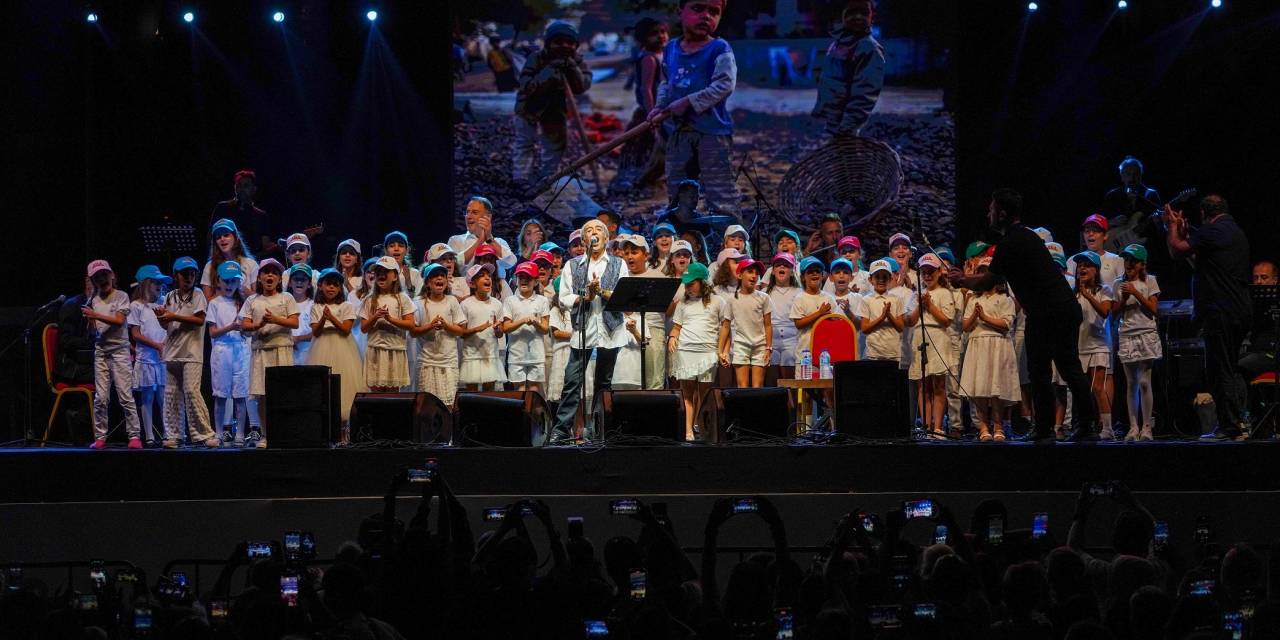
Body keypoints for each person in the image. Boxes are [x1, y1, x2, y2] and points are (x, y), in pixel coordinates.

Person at [951, 189, 1099, 442]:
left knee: (1043, 370)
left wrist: (962, 280)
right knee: (1067, 368)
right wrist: (965, 279)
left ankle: (1047, 430)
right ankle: (1082, 426)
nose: (989, 214)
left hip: (1049, 312)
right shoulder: (1024, 237)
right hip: (1058, 309)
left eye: (992, 210)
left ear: (1003, 213)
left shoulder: (1012, 242)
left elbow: (988, 279)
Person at [1164, 194, 1251, 440]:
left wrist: (1171, 227)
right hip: (1238, 310)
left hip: (1220, 311)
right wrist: (1184, 233)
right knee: (1229, 367)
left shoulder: (1212, 231)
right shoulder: (1234, 231)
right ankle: (1236, 423)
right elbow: (1199, 263)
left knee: (1219, 369)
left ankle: (1231, 427)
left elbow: (1177, 251)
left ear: (1204, 214)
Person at [650, 0, 740, 219]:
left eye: (714, 12)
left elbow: (724, 85)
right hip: (679, 132)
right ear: (681, 11)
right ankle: (682, 233)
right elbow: (666, 81)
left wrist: (688, 102)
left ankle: (728, 238)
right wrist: (659, 106)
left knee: (720, 191)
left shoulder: (719, 49)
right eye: (698, 8)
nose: (706, 16)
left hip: (712, 132)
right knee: (678, 188)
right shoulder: (671, 48)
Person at [554, 219, 627, 441]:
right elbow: (564, 296)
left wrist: (601, 292)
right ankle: (562, 429)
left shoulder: (617, 264)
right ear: (584, 239)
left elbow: (623, 295)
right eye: (588, 231)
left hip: (609, 328)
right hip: (583, 328)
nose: (593, 234)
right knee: (572, 380)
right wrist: (585, 297)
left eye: (598, 230)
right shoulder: (573, 264)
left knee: (603, 382)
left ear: (606, 238)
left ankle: (599, 427)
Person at [512, 22, 592, 187]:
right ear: (549, 43)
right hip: (529, 107)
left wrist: (572, 68)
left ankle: (547, 178)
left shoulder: (577, 61)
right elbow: (526, 86)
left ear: (576, 46)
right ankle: (521, 179)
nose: (564, 46)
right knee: (525, 142)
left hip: (555, 108)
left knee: (557, 144)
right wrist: (549, 70)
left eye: (570, 43)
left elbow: (582, 86)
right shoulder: (537, 58)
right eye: (558, 42)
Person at [81, 260, 143, 450]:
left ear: (112, 275)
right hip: (101, 352)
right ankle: (100, 436)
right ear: (93, 280)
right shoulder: (94, 301)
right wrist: (90, 320)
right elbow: (92, 333)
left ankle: (134, 436)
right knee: (101, 398)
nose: (102, 279)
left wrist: (95, 315)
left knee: (125, 395)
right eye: (97, 277)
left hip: (119, 351)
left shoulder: (121, 296)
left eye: (104, 275)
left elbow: (118, 320)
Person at [239, 258, 300, 448]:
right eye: (266, 272)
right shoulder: (252, 300)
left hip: (281, 350)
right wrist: (259, 325)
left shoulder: (286, 298)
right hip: (261, 352)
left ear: (280, 279)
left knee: (282, 394)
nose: (270, 275)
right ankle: (266, 435)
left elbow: (294, 322)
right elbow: (244, 326)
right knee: (263, 395)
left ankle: (283, 433)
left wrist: (274, 319)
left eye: (274, 272)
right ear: (259, 277)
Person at [159, 256, 218, 449]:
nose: (189, 277)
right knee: (171, 395)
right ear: (176, 275)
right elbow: (166, 324)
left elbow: (199, 319)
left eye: (192, 274)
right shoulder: (169, 296)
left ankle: (204, 433)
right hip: (172, 351)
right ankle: (175, 435)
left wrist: (173, 316)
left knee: (192, 391)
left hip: (192, 352)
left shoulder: (198, 294)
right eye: (185, 274)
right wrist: (161, 318)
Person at [959, 258, 1019, 442]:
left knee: (996, 388)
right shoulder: (974, 299)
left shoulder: (1004, 299)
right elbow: (965, 326)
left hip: (997, 345)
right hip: (978, 344)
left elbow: (1006, 324)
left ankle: (998, 425)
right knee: (980, 388)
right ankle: (983, 426)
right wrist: (976, 315)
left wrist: (984, 316)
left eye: (986, 272)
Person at [669, 262, 726, 441]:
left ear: (703, 282)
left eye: (691, 283)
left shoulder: (718, 301)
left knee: (704, 393)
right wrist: (672, 338)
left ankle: (700, 427)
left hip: (707, 352)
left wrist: (722, 350)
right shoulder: (683, 303)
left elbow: (725, 327)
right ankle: (688, 431)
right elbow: (676, 327)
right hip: (686, 350)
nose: (688, 287)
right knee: (687, 393)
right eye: (686, 283)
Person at [812, 0, 885, 139]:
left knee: (848, 158)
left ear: (872, 17)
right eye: (852, 12)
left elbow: (865, 93)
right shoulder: (839, 43)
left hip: (845, 126)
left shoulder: (868, 48)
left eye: (864, 13)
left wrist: (848, 126)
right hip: (833, 122)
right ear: (842, 15)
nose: (858, 17)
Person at [308, 268, 367, 438]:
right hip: (321, 346)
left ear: (341, 288)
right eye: (328, 284)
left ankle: (344, 432)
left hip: (342, 347)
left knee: (345, 385)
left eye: (335, 285)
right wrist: (323, 318)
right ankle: (326, 432)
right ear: (320, 285)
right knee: (324, 387)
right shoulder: (316, 306)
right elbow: (316, 332)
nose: (331, 288)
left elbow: (346, 330)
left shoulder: (346, 306)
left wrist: (331, 318)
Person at [613, 17, 669, 193]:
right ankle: (636, 181)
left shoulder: (665, 55)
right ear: (643, 39)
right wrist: (653, 113)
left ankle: (652, 179)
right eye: (654, 34)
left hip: (664, 112)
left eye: (663, 32)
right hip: (650, 112)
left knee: (662, 148)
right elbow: (646, 89)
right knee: (644, 148)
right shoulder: (649, 59)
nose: (660, 36)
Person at [1113, 244, 1161, 442]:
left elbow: (1153, 309)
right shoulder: (1118, 284)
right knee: (1131, 382)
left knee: (1144, 382)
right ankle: (1133, 427)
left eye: (1133, 261)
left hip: (1146, 333)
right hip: (1127, 334)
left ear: (1142, 264)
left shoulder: (1150, 280)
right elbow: (1113, 313)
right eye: (1126, 260)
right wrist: (1124, 299)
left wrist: (1135, 292)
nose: (1128, 264)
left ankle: (1147, 426)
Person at [907, 254, 958, 439]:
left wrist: (930, 305)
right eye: (924, 273)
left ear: (938, 272)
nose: (927, 276)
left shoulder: (945, 293)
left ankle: (937, 426)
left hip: (938, 336)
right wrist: (920, 305)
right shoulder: (916, 294)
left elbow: (946, 320)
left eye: (930, 272)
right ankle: (926, 424)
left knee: (938, 385)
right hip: (920, 336)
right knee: (923, 385)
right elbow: (910, 321)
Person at [206, 261, 252, 445]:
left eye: (233, 281)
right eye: (226, 281)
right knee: (220, 395)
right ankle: (218, 433)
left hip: (240, 350)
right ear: (218, 281)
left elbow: (248, 330)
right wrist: (231, 326)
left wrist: (243, 329)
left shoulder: (243, 303)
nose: (229, 285)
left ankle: (240, 434)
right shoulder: (214, 304)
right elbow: (212, 332)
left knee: (240, 395)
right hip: (222, 350)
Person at [1072, 252, 1115, 441]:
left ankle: (1107, 428)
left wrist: (1088, 296)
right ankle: (1085, 426)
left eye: (1087, 265)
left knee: (1098, 387)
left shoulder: (1104, 290)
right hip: (1079, 345)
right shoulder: (1073, 293)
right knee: (1081, 389)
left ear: (1096, 270)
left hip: (1098, 345)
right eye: (1080, 265)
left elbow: (1105, 312)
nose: (1082, 268)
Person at [412, 263, 466, 409]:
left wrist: (445, 326)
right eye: (435, 276)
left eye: (442, 275)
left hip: (448, 361)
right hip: (426, 361)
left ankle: (448, 432)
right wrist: (430, 325)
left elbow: (461, 330)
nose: (440, 278)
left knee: (448, 404)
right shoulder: (418, 303)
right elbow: (413, 331)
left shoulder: (452, 301)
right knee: (427, 404)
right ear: (428, 282)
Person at [359, 256, 416, 393]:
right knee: (376, 391)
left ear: (395, 276)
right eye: (378, 272)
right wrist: (375, 317)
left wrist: (390, 319)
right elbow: (363, 328)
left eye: (386, 271)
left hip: (394, 349)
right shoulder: (369, 300)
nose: (381, 275)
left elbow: (411, 324)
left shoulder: (402, 298)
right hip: (375, 350)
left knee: (393, 392)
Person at [129, 266, 169, 447]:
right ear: (145, 284)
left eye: (161, 282)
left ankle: (168, 434)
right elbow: (136, 334)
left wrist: (164, 346)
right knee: (147, 398)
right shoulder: (136, 306)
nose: (159, 285)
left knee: (163, 396)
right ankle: (149, 435)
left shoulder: (164, 302)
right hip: (146, 356)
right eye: (155, 282)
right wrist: (156, 345)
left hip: (163, 356)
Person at [722, 258, 771, 388]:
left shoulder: (764, 298)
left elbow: (768, 325)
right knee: (742, 386)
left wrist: (769, 348)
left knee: (758, 386)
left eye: (756, 273)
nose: (754, 275)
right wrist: (721, 351)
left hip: (760, 345)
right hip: (741, 345)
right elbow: (726, 326)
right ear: (739, 275)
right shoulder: (732, 299)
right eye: (750, 271)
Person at [503, 262, 551, 393]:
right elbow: (505, 327)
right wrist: (523, 320)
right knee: (519, 390)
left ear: (535, 282)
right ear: (516, 280)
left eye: (528, 278)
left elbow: (545, 328)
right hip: (516, 354)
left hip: (536, 353)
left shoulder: (542, 301)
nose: (524, 280)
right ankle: (520, 414)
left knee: (534, 391)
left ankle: (532, 414)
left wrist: (536, 323)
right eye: (521, 277)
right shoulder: (510, 301)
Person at [459, 264, 506, 392]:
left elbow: (500, 334)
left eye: (488, 276)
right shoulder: (466, 304)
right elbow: (461, 333)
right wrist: (477, 329)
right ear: (472, 284)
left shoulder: (497, 304)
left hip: (490, 355)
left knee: (489, 393)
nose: (487, 278)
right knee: (472, 394)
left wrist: (498, 329)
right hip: (472, 355)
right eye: (481, 276)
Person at [210, 169, 276, 258]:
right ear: (235, 188)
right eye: (239, 185)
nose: (241, 189)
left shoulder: (261, 216)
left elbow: (265, 245)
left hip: (250, 264)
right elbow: (212, 236)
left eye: (246, 186)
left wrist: (278, 246)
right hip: (224, 260)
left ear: (254, 189)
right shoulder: (222, 208)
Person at [1101, 156, 1162, 252]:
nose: (1132, 178)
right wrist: (1113, 221)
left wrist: (1158, 222)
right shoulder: (1112, 196)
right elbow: (1099, 224)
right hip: (1117, 247)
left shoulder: (1150, 195)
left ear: (1141, 175)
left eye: (1136, 174)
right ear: (1121, 176)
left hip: (1144, 248)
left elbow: (1160, 229)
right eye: (1128, 174)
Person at [790, 257, 839, 367]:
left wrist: (831, 318)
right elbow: (799, 324)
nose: (814, 274)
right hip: (805, 354)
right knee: (804, 384)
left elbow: (836, 321)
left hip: (825, 354)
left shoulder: (829, 298)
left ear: (822, 275)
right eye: (810, 272)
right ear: (803, 277)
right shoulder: (800, 298)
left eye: (817, 271)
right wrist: (820, 313)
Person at [449, 196, 517, 271]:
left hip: (495, 282)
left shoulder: (500, 242)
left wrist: (490, 240)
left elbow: (511, 262)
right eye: (467, 212)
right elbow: (454, 265)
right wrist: (479, 241)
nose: (468, 216)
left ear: (488, 217)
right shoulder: (455, 240)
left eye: (474, 212)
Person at [857, 259, 904, 362]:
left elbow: (900, 327)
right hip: (873, 354)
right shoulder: (866, 300)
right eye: (877, 277)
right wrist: (882, 317)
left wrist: (889, 316)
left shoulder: (897, 299)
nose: (881, 280)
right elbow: (864, 329)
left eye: (885, 277)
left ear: (890, 279)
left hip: (893, 353)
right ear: (870, 280)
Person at [1239, 260, 1278, 381]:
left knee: (1239, 366)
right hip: (1256, 351)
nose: (1259, 281)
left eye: (1264, 277)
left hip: (1272, 354)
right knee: (1224, 364)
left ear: (1275, 280)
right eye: (1256, 278)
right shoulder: (1251, 302)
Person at [766, 253, 802, 383]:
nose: (782, 267)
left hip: (791, 341)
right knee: (772, 380)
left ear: (792, 272)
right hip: (771, 342)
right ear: (773, 271)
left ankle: (792, 404)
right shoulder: (766, 292)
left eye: (786, 265)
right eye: (778, 265)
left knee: (790, 380)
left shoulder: (799, 292)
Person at [201, 218, 258, 300]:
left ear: (236, 238)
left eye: (226, 235)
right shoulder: (209, 266)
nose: (222, 239)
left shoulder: (251, 264)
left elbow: (259, 299)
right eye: (218, 237)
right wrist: (226, 291)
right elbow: (207, 301)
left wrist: (241, 289)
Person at [54, 277, 95, 386]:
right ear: (88, 283)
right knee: (112, 372)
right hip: (72, 367)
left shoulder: (100, 306)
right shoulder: (71, 306)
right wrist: (96, 343)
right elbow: (66, 341)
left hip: (89, 362)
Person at [287, 264, 315, 366]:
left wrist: (298, 338)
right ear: (290, 283)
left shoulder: (314, 305)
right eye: (296, 279)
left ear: (309, 284)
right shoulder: (283, 304)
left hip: (308, 355)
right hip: (287, 355)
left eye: (303, 279)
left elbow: (319, 332)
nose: (299, 282)